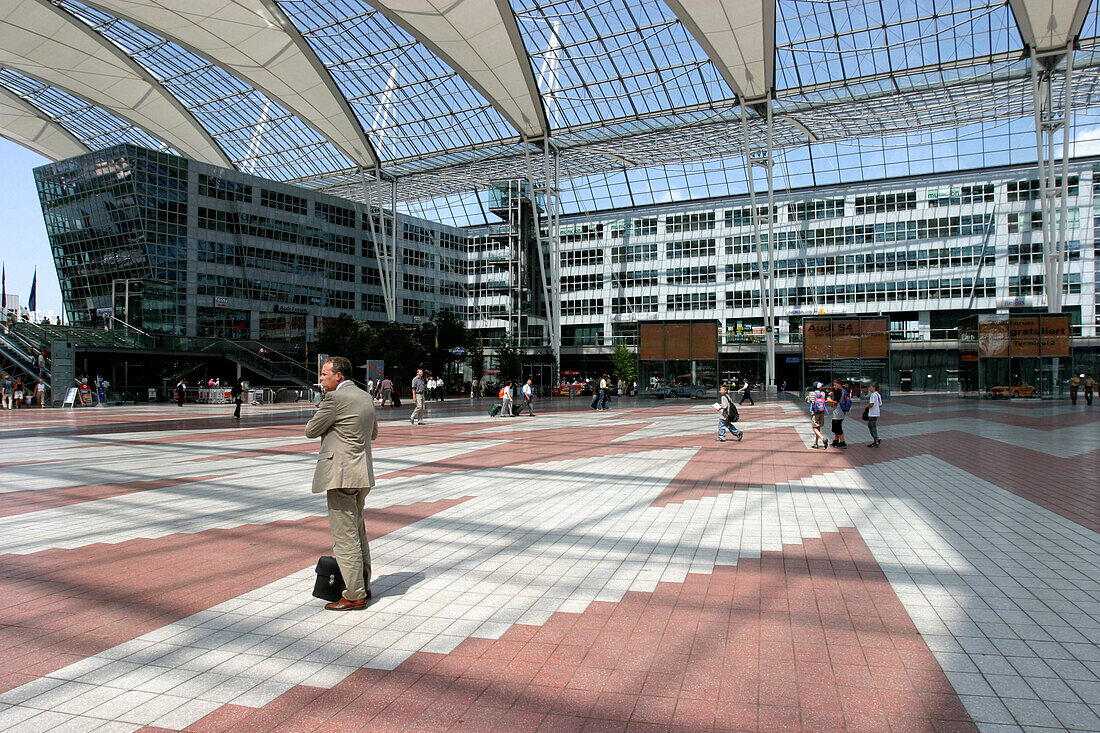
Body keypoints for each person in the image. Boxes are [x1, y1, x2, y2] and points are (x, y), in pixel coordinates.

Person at [305, 356, 378, 611]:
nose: (321, 379)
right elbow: (374, 433)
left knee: (344, 537)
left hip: (341, 474)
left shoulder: (334, 399)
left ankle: (354, 593)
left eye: (324, 374)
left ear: (339, 376)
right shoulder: (365, 396)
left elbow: (311, 430)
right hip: (362, 474)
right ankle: (364, 584)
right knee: (358, 531)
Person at [826, 379, 848, 449]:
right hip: (840, 412)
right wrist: (833, 396)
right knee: (835, 427)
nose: (834, 386)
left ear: (839, 384)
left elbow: (835, 402)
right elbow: (836, 400)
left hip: (838, 412)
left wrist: (829, 400)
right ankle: (836, 441)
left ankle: (842, 442)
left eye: (835, 385)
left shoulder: (839, 391)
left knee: (838, 427)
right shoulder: (843, 391)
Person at [806, 382, 828, 449]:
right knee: (818, 428)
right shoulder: (823, 393)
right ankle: (816, 443)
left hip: (815, 413)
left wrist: (808, 397)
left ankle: (822, 438)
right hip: (822, 412)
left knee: (814, 428)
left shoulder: (811, 393)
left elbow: (809, 402)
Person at [865, 382, 883, 447]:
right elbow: (880, 404)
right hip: (877, 413)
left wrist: (867, 407)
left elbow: (871, 404)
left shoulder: (873, 395)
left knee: (872, 426)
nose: (870, 388)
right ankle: (876, 439)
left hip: (872, 413)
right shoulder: (878, 395)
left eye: (871, 387)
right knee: (873, 426)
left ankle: (876, 439)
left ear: (874, 387)